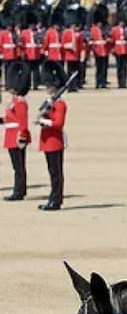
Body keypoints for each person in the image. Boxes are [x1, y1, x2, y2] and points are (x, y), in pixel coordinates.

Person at [36, 61, 69, 211]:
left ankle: (56, 200)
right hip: (48, 140)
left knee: (56, 173)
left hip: (54, 141)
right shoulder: (51, 102)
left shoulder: (60, 104)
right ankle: (53, 198)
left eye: (49, 86)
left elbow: (58, 124)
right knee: (52, 171)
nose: (47, 89)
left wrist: (44, 120)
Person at [2, 62, 31, 201]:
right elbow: (10, 118)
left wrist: (23, 136)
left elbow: (22, 121)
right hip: (10, 135)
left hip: (17, 137)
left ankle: (19, 191)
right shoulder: (13, 101)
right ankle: (19, 190)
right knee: (17, 166)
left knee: (19, 167)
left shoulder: (20, 102)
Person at [89, 10, 110, 88]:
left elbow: (109, 38)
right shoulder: (93, 29)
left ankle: (103, 82)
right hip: (97, 51)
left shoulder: (105, 29)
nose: (100, 24)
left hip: (105, 51)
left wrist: (107, 40)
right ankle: (98, 82)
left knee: (104, 68)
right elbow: (91, 40)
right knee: (99, 68)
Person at [110, 19, 127, 88]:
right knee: (119, 67)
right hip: (118, 50)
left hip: (125, 50)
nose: (122, 23)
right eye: (121, 22)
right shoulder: (114, 29)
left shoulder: (126, 30)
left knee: (124, 68)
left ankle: (124, 83)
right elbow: (112, 40)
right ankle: (120, 83)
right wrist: (112, 49)